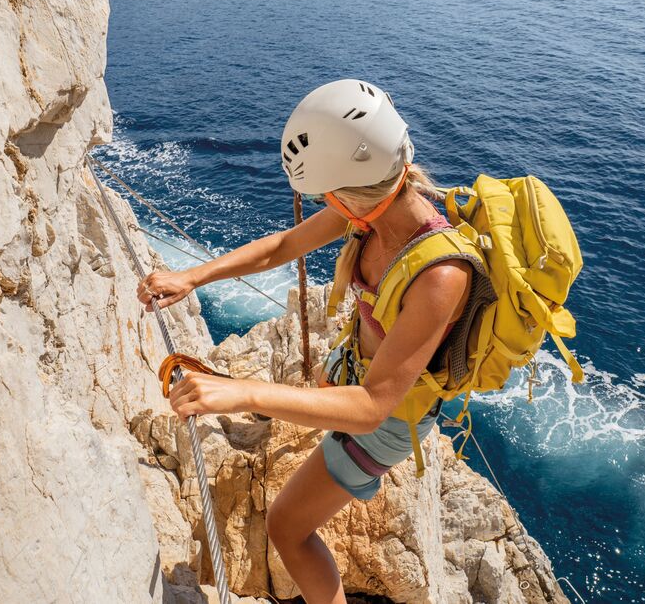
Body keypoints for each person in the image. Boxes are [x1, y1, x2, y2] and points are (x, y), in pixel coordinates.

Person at [136, 79, 475, 604]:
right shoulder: (372, 205)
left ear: (344, 192)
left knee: (287, 528)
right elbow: (282, 247)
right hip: (351, 371)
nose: (322, 203)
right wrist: (193, 276)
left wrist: (242, 392)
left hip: (384, 419)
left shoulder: (441, 275)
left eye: (322, 195)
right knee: (293, 498)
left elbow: (370, 409)